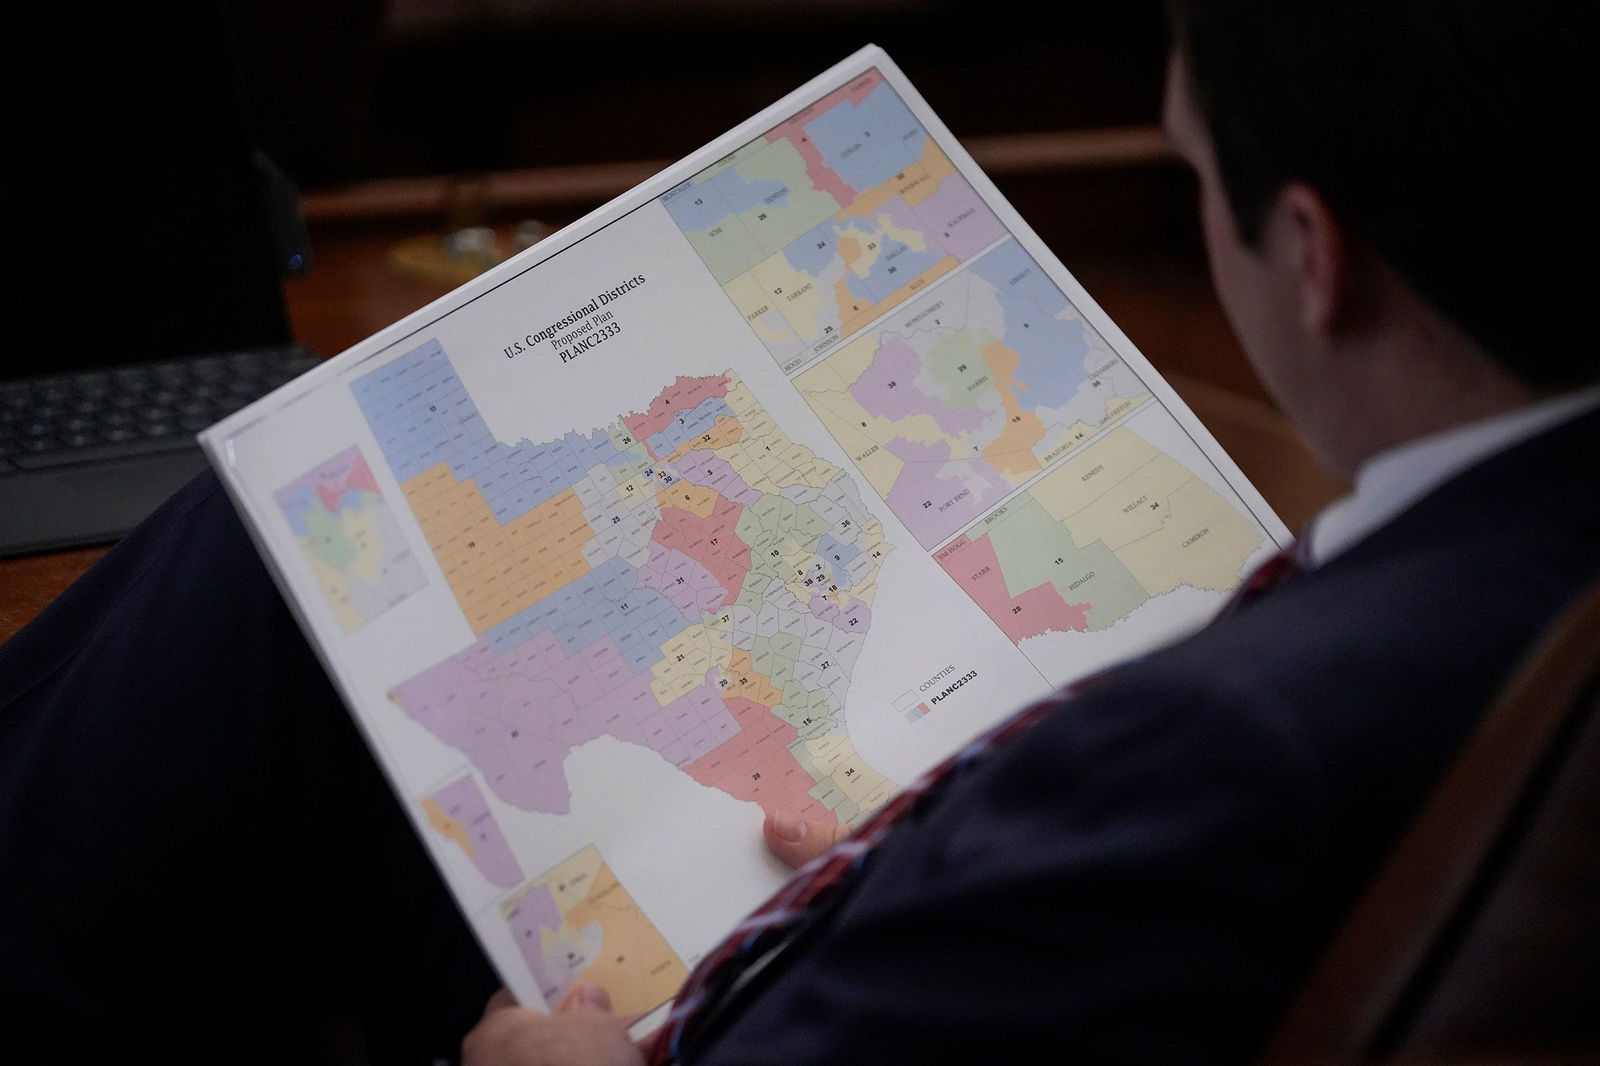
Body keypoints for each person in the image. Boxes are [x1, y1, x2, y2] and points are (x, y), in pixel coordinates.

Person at [1, 1, 1594, 1064]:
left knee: (257, 581)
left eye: (1192, 172)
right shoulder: (1521, 577)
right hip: (894, 925)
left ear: (1309, 256)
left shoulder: (1234, 745)